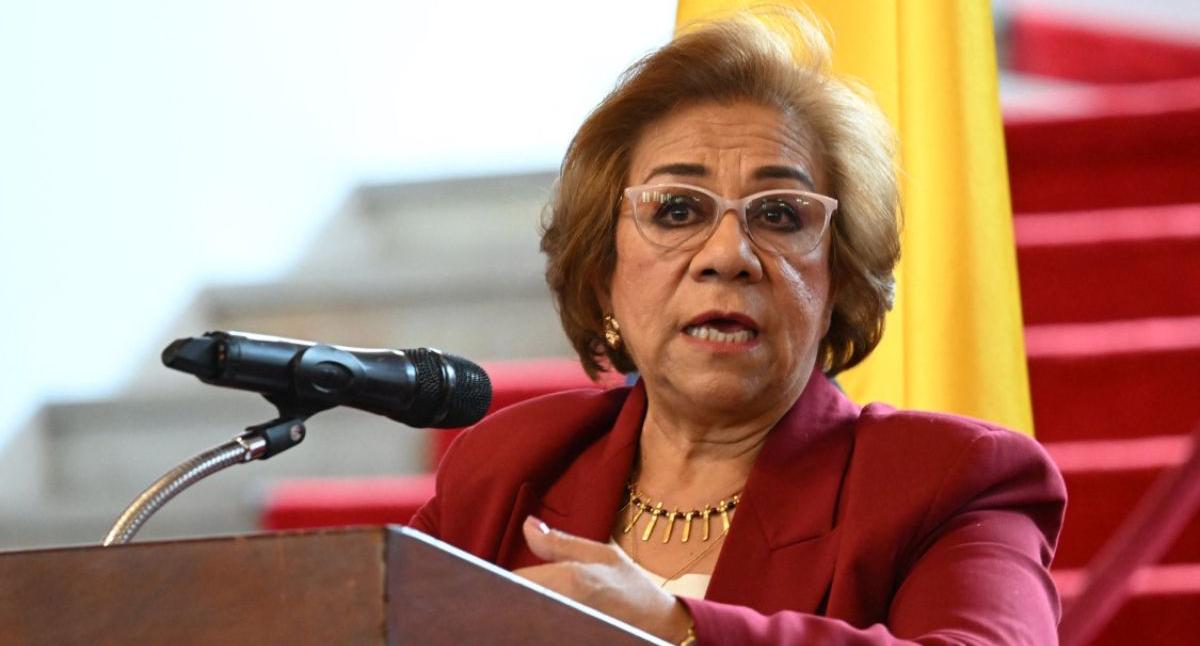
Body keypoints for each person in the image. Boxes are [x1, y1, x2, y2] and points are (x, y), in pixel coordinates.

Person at [411, 10, 1065, 645]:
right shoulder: (510, 468)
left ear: (838, 280)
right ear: (604, 270)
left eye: (779, 215)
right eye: (676, 211)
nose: (727, 255)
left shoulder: (950, 482)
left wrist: (674, 627)